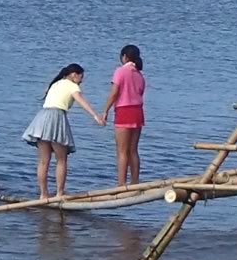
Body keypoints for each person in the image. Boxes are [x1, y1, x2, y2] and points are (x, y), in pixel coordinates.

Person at [22, 63, 105, 200]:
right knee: (61, 159)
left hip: (42, 118)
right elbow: (81, 101)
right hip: (57, 118)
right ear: (74, 75)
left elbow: (47, 92)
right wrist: (95, 116)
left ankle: (43, 195)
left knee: (43, 161)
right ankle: (59, 193)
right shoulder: (72, 86)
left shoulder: (55, 83)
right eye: (81, 77)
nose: (81, 81)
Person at [102, 45, 146, 186]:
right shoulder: (139, 75)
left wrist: (105, 110)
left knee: (122, 151)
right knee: (133, 150)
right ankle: (135, 181)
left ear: (124, 56)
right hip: (138, 112)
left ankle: (121, 184)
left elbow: (114, 92)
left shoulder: (120, 72)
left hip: (124, 111)